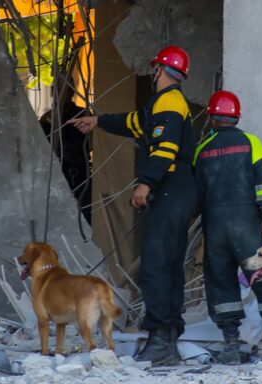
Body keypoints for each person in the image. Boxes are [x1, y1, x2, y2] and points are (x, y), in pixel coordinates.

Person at [68, 46, 198, 366]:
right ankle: (167, 338)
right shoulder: (165, 103)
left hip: (169, 192)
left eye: (154, 69)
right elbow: (134, 122)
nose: (151, 73)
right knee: (167, 266)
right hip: (176, 194)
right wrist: (98, 121)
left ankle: (160, 340)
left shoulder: (169, 102)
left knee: (157, 266)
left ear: (160, 71)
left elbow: (165, 147)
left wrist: (146, 182)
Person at [193, 90, 262, 364]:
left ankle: (230, 345)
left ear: (212, 117)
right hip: (248, 224)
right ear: (236, 117)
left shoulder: (201, 149)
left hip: (215, 226)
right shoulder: (251, 142)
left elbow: (197, 189)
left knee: (220, 281)